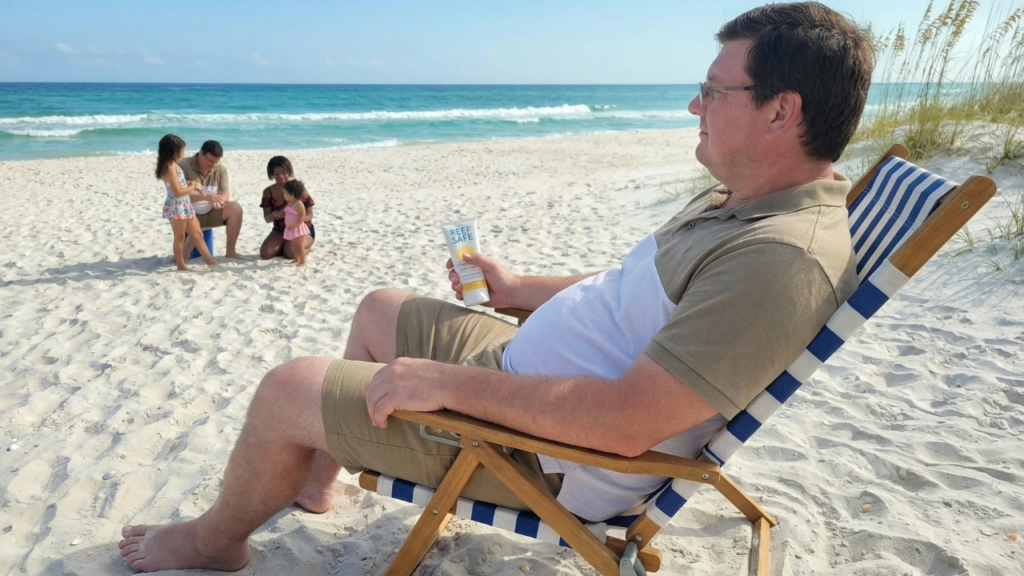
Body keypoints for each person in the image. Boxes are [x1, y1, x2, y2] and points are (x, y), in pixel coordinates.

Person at [118, 2, 873, 571]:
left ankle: (214, 542)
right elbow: (628, 292)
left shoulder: (779, 258)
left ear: (781, 110)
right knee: (379, 306)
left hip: (544, 454)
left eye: (713, 92)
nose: (693, 106)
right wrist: (515, 288)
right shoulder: (746, 199)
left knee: (287, 388)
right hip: (533, 374)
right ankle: (317, 485)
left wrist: (440, 382)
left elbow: (624, 424)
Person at [156, 134, 217, 271]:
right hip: (177, 205)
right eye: (182, 150)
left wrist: (190, 183)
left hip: (185, 204)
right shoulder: (169, 167)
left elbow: (178, 183)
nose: (184, 153)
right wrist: (194, 187)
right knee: (180, 237)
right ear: (173, 151)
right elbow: (177, 192)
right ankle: (181, 265)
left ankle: (210, 262)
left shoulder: (174, 165)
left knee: (197, 234)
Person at [178, 140, 245, 260]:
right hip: (187, 212)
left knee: (236, 208)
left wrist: (219, 201)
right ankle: (182, 257)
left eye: (216, 162)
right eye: (210, 161)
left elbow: (225, 193)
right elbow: (179, 194)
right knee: (195, 230)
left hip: (211, 212)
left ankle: (230, 251)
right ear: (201, 153)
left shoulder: (220, 170)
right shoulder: (183, 165)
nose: (213, 165)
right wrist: (206, 197)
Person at [259, 156, 315, 260]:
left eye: (284, 172)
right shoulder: (268, 191)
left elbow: (310, 215)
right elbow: (267, 219)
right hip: (280, 230)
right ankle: (285, 245)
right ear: (271, 174)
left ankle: (306, 248)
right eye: (276, 173)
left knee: (290, 253)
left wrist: (296, 219)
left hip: (301, 229)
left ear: (290, 172)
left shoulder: (297, 188)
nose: (280, 176)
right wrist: (274, 216)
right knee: (265, 254)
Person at [282, 180, 311, 267]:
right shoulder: (291, 203)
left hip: (297, 228)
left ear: (293, 193)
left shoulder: (298, 204)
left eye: (285, 193)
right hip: (290, 228)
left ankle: (302, 262)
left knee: (299, 246)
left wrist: (296, 225)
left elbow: (302, 216)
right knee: (293, 246)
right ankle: (296, 259)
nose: (284, 195)